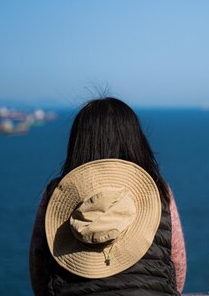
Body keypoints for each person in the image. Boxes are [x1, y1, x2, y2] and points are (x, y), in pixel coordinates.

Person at [29, 97, 186, 296]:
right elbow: (177, 265)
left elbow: (39, 268)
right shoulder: (158, 191)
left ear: (78, 142)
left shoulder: (55, 195)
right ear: (136, 141)